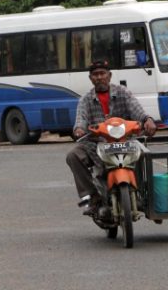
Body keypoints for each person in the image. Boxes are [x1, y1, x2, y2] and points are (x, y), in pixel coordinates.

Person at [66, 60, 157, 216]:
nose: (99, 77)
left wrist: (147, 120)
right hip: (96, 145)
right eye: (95, 74)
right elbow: (81, 119)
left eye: (102, 73)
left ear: (109, 76)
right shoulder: (85, 99)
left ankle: (140, 193)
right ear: (90, 78)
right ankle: (93, 197)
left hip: (125, 142)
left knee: (142, 154)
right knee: (73, 156)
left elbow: (137, 110)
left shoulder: (123, 92)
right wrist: (79, 129)